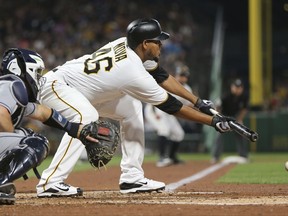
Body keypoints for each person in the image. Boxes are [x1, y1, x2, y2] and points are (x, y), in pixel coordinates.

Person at [36, 18, 233, 196]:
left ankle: (132, 177)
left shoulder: (127, 45)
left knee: (131, 107)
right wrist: (213, 121)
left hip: (84, 91)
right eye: (157, 40)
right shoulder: (132, 71)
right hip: (57, 86)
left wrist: (198, 102)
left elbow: (161, 75)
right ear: (145, 44)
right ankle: (50, 182)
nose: (161, 44)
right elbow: (172, 106)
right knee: (85, 118)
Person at [0, 48, 97, 204]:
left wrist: (75, 130)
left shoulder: (9, 89)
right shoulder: (13, 84)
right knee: (34, 141)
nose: (39, 77)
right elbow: (0, 114)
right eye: (37, 72)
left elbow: (43, 113)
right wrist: (12, 146)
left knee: (25, 135)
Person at [211, 78, 249, 163]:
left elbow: (244, 109)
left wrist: (239, 119)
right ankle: (215, 156)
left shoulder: (244, 96)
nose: (238, 89)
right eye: (236, 87)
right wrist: (220, 118)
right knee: (219, 135)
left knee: (242, 133)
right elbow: (217, 106)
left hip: (235, 117)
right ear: (232, 87)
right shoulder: (226, 95)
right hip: (224, 117)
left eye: (239, 87)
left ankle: (244, 156)